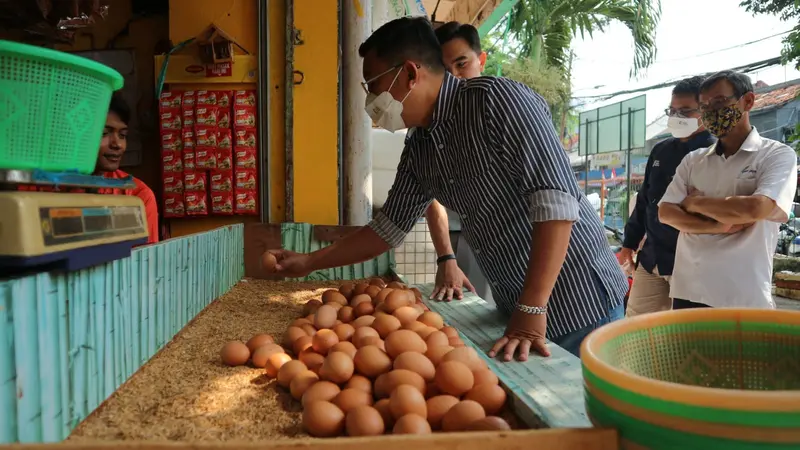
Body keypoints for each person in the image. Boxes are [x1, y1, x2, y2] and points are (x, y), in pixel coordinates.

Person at [269, 17, 628, 359]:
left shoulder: (497, 101)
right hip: (517, 305)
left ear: (409, 73)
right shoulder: (419, 146)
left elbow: (556, 203)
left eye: (374, 85)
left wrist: (533, 305)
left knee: (595, 415)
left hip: (580, 301)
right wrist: (309, 262)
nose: (371, 101)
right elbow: (387, 229)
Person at [659, 71, 797, 309]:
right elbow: (667, 213)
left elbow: (756, 207)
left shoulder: (776, 154)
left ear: (748, 101)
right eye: (704, 106)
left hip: (744, 293)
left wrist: (694, 204)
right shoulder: (694, 160)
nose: (712, 111)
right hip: (689, 289)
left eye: (720, 101)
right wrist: (717, 225)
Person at [620, 76, 715, 317]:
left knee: (684, 331)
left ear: (705, 110)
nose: (677, 118)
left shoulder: (716, 152)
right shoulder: (661, 150)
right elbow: (644, 201)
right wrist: (628, 244)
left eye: (685, 111)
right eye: (672, 111)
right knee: (635, 325)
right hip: (652, 257)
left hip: (692, 262)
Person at [17, 94, 159, 244]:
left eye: (123, 135)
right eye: (104, 133)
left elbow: (145, 262)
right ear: (75, 135)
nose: (117, 144)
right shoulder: (34, 189)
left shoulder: (138, 196)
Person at [423, 21, 489, 303]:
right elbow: (427, 197)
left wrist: (532, 306)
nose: (454, 78)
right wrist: (446, 255)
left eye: (462, 65)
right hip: (457, 236)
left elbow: (552, 202)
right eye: (444, 71)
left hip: (517, 247)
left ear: (481, 60)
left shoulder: (505, 111)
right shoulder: (427, 129)